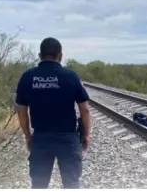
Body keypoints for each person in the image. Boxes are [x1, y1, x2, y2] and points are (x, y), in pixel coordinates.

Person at [15, 37, 91, 188]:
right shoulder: (71, 76)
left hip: (41, 139)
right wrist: (87, 135)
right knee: (72, 184)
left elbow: (21, 111)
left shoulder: (28, 77)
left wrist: (28, 136)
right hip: (68, 139)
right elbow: (85, 109)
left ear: (40, 55)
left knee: (39, 184)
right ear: (60, 56)